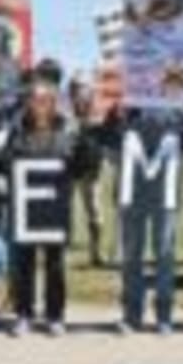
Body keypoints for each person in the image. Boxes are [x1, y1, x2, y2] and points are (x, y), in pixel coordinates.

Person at [97, 103, 183, 336]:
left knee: (164, 253)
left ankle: (164, 314)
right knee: (132, 253)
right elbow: (107, 140)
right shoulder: (127, 108)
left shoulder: (177, 111)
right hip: (131, 191)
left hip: (165, 193)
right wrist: (113, 115)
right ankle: (132, 314)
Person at [3, 79, 74, 337]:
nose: (40, 104)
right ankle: (24, 314)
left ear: (53, 104)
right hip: (26, 212)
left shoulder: (65, 135)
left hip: (54, 211)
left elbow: (80, 167)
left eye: (45, 100)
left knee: (55, 265)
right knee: (24, 264)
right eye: (35, 99)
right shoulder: (18, 134)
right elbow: (6, 165)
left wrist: (88, 142)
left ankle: (55, 315)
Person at [67, 75, 106, 267]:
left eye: (81, 88)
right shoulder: (65, 114)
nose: (78, 93)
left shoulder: (97, 115)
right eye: (75, 88)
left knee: (95, 213)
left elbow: (102, 142)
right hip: (69, 169)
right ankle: (65, 248)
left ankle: (96, 252)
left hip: (91, 170)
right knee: (65, 211)